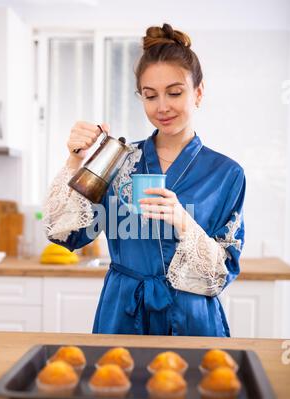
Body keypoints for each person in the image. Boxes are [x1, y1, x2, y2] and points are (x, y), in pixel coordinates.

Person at [43, 23, 246, 337]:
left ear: (198, 93)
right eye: (150, 96)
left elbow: (223, 271)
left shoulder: (226, 174)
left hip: (192, 319)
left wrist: (183, 221)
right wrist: (76, 160)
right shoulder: (119, 159)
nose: (162, 106)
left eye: (175, 93)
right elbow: (67, 235)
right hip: (124, 313)